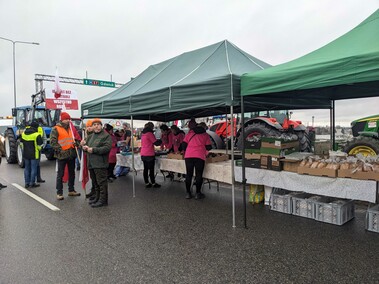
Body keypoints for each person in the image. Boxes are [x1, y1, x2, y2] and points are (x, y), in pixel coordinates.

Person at [50, 112, 81, 200]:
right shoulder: (56, 129)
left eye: (69, 119)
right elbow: (53, 142)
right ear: (62, 119)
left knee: (72, 173)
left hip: (71, 154)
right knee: (60, 174)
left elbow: (75, 139)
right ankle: (59, 193)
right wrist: (60, 150)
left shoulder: (71, 128)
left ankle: (71, 190)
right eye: (66, 119)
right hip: (62, 155)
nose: (68, 120)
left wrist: (77, 144)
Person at [82, 118, 112, 207]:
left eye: (98, 124)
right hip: (91, 163)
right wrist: (84, 147)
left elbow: (106, 148)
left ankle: (103, 200)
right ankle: (97, 197)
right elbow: (86, 147)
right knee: (95, 182)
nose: (96, 126)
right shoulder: (91, 136)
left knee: (101, 183)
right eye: (94, 125)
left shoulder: (106, 136)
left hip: (100, 163)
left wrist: (94, 150)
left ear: (101, 125)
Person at [182, 119, 212, 199]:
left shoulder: (190, 133)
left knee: (189, 174)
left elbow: (184, 145)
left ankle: (188, 193)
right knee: (199, 175)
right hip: (199, 156)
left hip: (188, 156)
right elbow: (209, 147)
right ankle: (198, 193)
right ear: (204, 128)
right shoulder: (205, 135)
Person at [21, 120, 43, 188]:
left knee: (27, 168)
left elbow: (21, 144)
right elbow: (39, 147)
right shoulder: (37, 135)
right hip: (34, 154)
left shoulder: (24, 134)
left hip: (26, 154)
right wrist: (40, 149)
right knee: (34, 168)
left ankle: (26, 183)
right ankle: (32, 183)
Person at [141, 122, 162, 188]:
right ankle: (153, 183)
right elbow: (155, 143)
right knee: (151, 169)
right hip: (149, 154)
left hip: (143, 153)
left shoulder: (143, 134)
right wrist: (161, 140)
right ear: (151, 127)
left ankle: (147, 182)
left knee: (145, 169)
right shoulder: (150, 134)